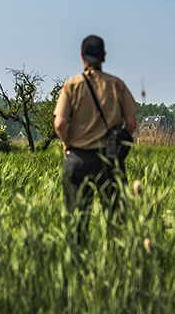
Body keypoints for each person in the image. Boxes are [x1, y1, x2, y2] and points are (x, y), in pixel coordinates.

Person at [54, 34, 138, 242]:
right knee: (115, 220)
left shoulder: (71, 85)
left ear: (82, 56)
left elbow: (60, 123)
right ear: (104, 57)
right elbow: (132, 123)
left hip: (79, 159)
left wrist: (68, 144)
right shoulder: (117, 85)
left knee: (77, 222)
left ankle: (78, 265)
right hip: (109, 160)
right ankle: (113, 261)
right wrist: (120, 141)